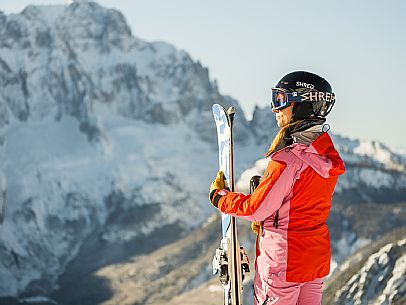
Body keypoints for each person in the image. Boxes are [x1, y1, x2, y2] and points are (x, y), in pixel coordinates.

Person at [209, 71, 345, 305]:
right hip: (313, 260)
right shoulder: (325, 157)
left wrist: (220, 197)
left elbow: (257, 208)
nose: (275, 108)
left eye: (281, 100)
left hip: (283, 263)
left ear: (302, 105)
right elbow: (299, 204)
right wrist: (270, 219)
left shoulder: (288, 159)